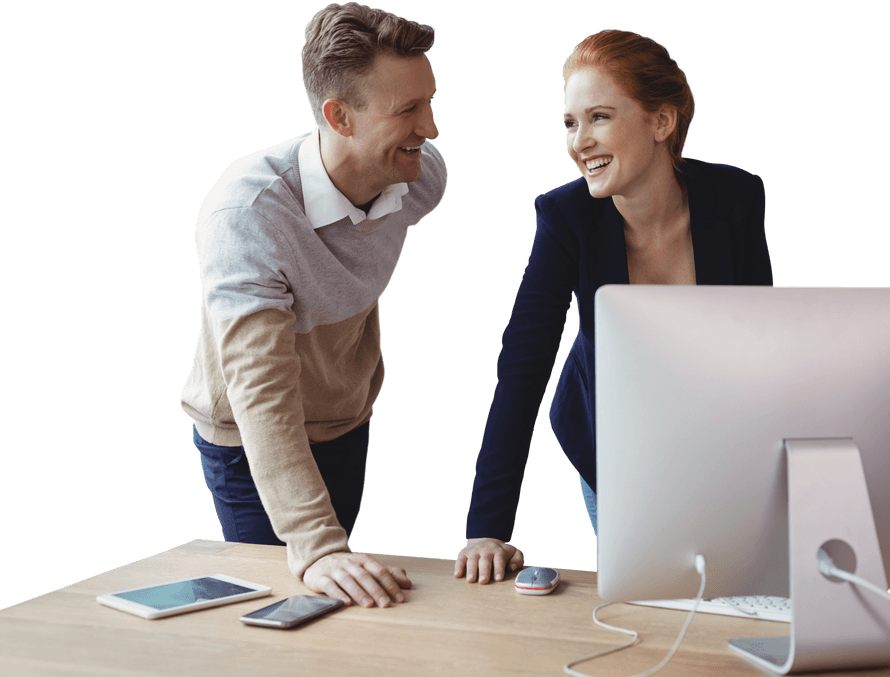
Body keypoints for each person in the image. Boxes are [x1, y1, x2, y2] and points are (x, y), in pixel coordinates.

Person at [455, 29, 773, 584]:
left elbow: (763, 343)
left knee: (736, 595)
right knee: (649, 598)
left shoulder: (736, 199)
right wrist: (487, 528)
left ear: (661, 122)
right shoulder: (566, 219)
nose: (580, 142)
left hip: (716, 438)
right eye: (570, 124)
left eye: (599, 117)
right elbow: (523, 368)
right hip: (616, 444)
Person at [180, 3, 445, 608]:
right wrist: (316, 543)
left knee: (339, 599)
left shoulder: (418, 179)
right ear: (338, 116)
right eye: (408, 110)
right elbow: (260, 385)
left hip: (346, 416)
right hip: (251, 439)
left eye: (429, 101)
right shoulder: (248, 215)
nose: (431, 129)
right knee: (278, 605)